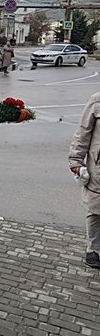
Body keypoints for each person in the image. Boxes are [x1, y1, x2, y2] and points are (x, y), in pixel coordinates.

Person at [68, 93, 100, 268]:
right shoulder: (97, 100)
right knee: (95, 210)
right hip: (98, 168)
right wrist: (76, 160)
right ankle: (93, 249)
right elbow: (82, 132)